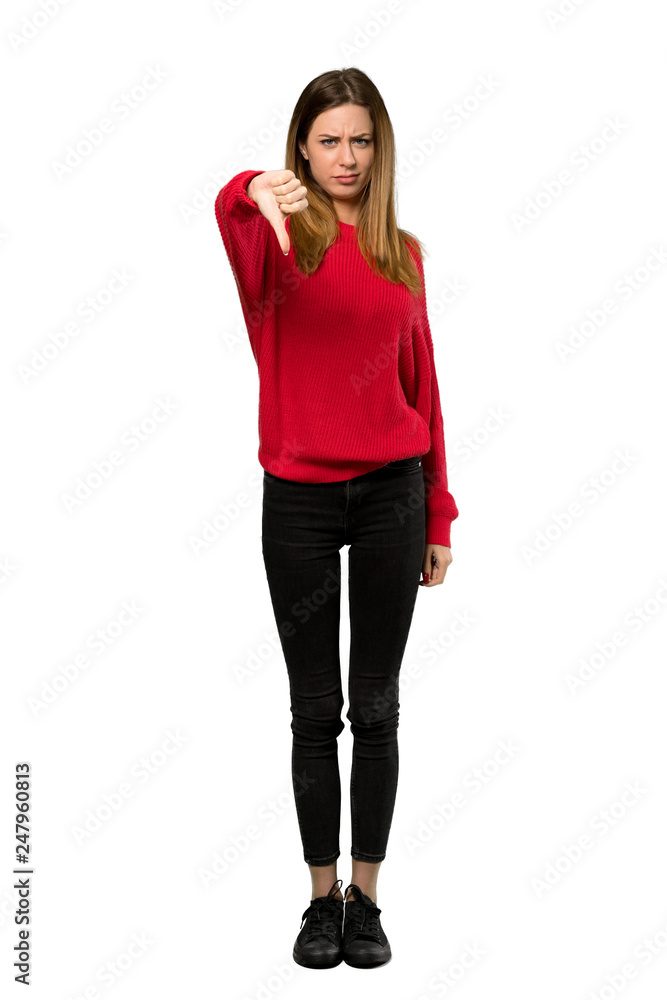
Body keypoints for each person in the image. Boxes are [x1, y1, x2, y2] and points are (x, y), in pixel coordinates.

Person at [214, 67, 459, 970]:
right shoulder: (277, 242)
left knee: (378, 707)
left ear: (378, 147)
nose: (346, 157)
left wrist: (439, 509)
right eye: (328, 141)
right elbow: (231, 212)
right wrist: (251, 188)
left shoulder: (404, 250)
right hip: (301, 502)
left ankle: (368, 898)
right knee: (314, 709)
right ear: (302, 151)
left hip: (394, 491)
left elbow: (424, 389)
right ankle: (319, 903)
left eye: (360, 140)